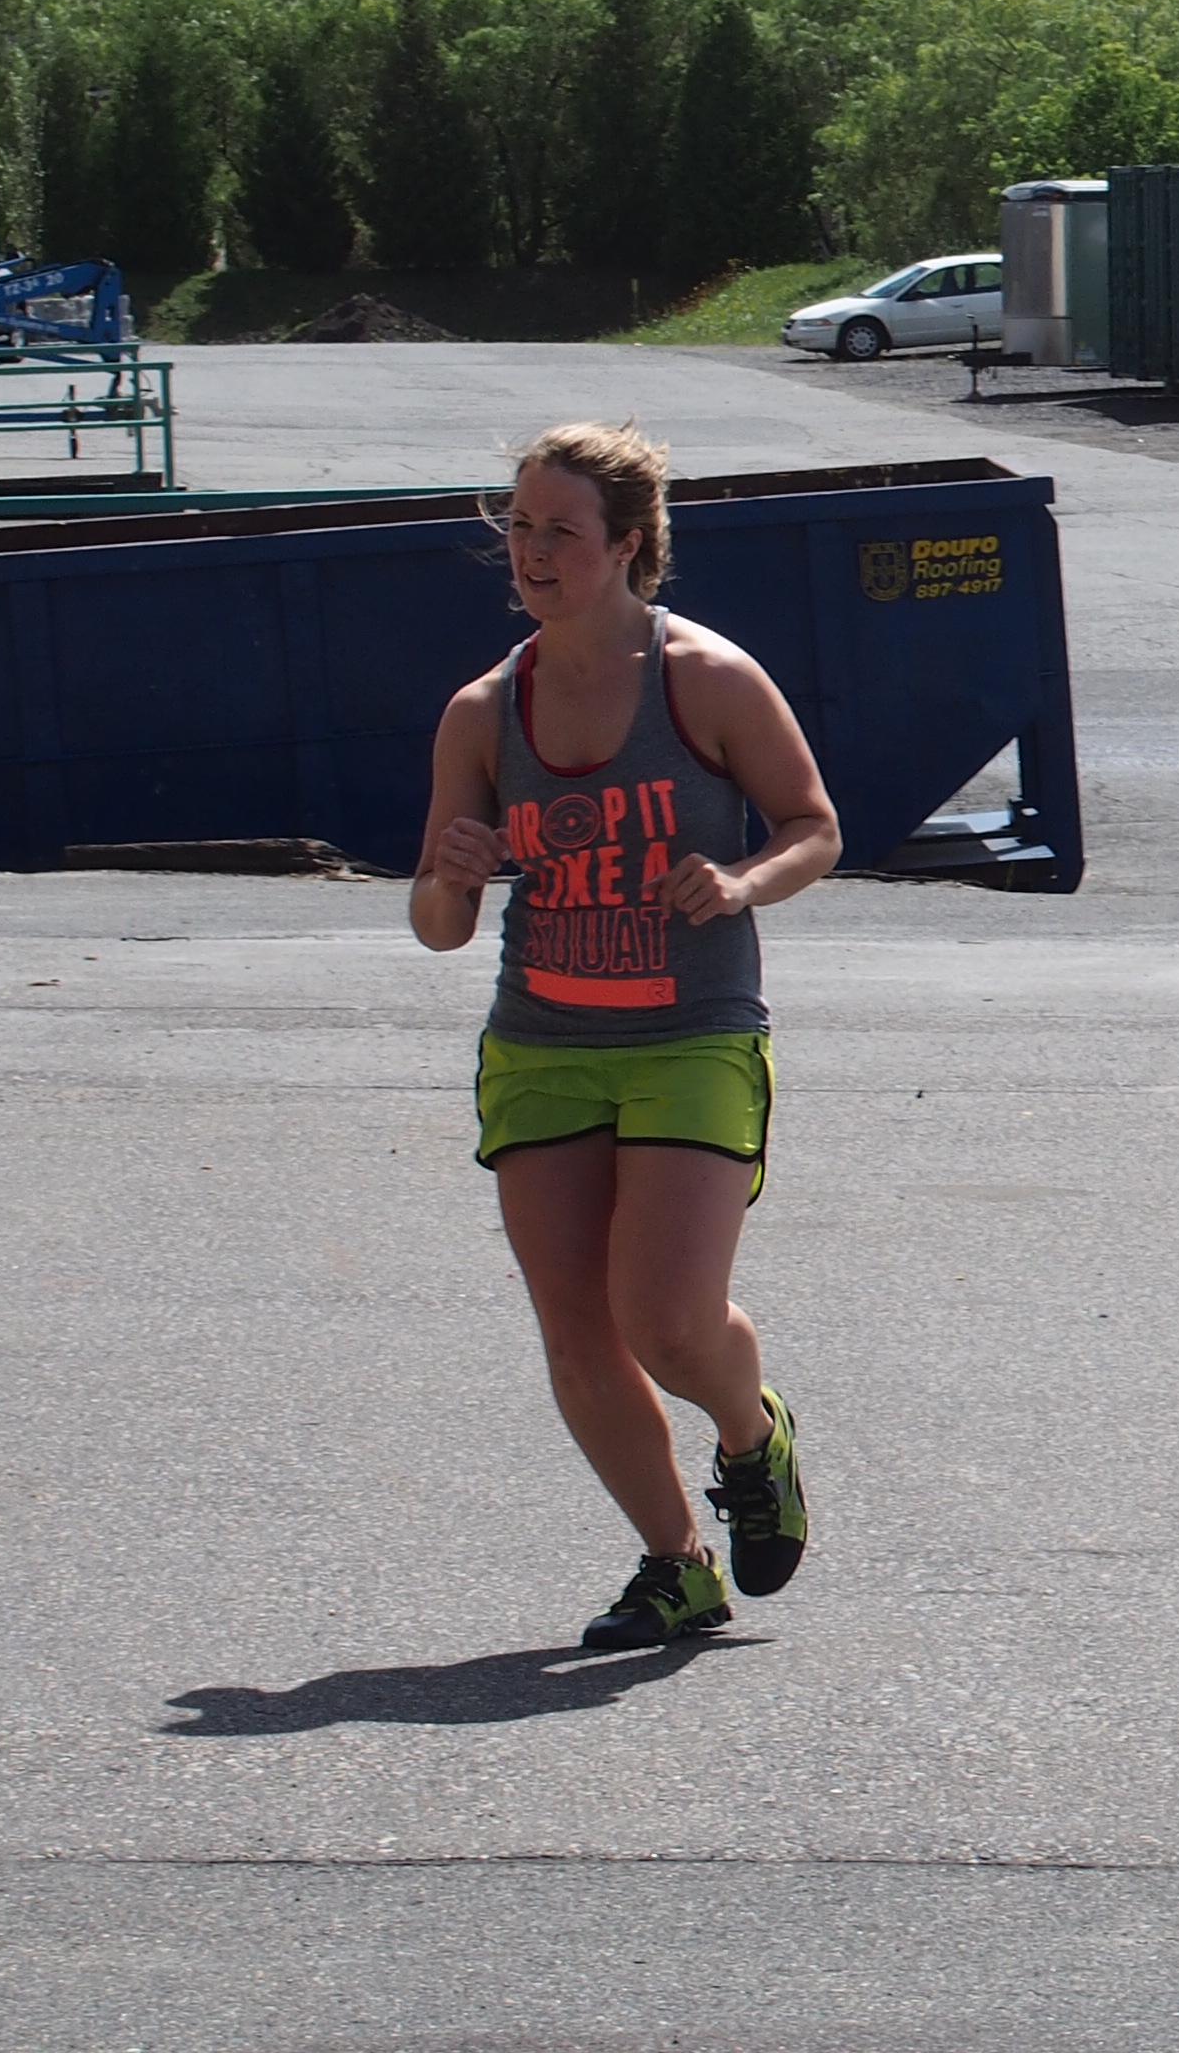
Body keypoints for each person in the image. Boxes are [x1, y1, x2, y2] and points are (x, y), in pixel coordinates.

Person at [411, 423, 842, 1653]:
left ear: (629, 546)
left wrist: (744, 882)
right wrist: (452, 876)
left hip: (692, 1034)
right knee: (577, 1329)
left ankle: (753, 1439)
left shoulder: (705, 679)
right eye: (518, 522)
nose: (531, 550)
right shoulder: (484, 714)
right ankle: (675, 1564)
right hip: (541, 1042)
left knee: (664, 1318)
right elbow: (440, 927)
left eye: (559, 529)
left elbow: (814, 825)